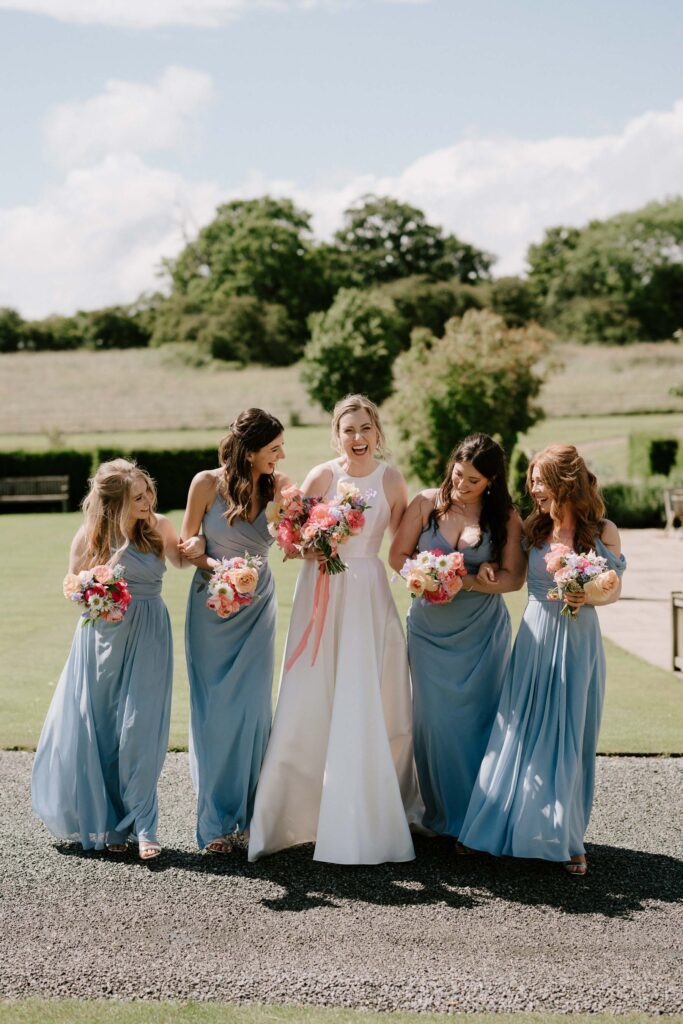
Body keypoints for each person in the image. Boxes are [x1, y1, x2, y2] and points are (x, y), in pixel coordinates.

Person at [248, 394, 422, 865]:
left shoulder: (392, 479)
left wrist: (432, 573)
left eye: (365, 428)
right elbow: (291, 541)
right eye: (349, 430)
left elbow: (401, 546)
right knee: (313, 690)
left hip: (368, 593)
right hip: (323, 589)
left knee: (378, 695)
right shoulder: (322, 476)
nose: (358, 438)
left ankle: (383, 804)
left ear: (376, 431)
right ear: (337, 433)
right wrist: (322, 545)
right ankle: (301, 811)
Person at [458, 444, 626, 876]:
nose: (534, 489)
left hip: (578, 641)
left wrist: (585, 593)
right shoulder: (532, 528)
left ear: (565, 483)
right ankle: (495, 825)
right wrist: (491, 573)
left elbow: (612, 591)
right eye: (531, 480)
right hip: (535, 638)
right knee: (519, 730)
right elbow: (508, 574)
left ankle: (567, 838)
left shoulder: (603, 531)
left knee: (570, 733)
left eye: (540, 480)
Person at [32, 458, 189, 859]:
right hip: (102, 638)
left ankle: (145, 825)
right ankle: (111, 822)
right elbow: (73, 586)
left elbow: (183, 559)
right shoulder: (89, 537)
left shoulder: (159, 527)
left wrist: (203, 548)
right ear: (115, 504)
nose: (148, 500)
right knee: (102, 728)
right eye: (137, 497)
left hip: (150, 631)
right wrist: (94, 593)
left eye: (147, 491)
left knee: (141, 726)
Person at [389, 433, 526, 840]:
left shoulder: (505, 517)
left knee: (477, 720)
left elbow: (513, 579)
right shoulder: (425, 502)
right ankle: (441, 815)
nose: (462, 485)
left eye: (473, 481)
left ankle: (477, 817)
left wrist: (465, 580)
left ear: (492, 482)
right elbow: (397, 557)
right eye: (459, 474)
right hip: (429, 631)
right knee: (433, 721)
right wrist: (422, 578)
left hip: (480, 634)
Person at [180, 409, 288, 853]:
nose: (281, 456)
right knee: (215, 713)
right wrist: (216, 565)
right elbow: (188, 546)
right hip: (212, 604)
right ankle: (215, 824)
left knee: (251, 711)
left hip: (257, 606)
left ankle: (249, 817)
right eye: (274, 448)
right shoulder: (205, 483)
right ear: (249, 450)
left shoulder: (277, 486)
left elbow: (288, 540)